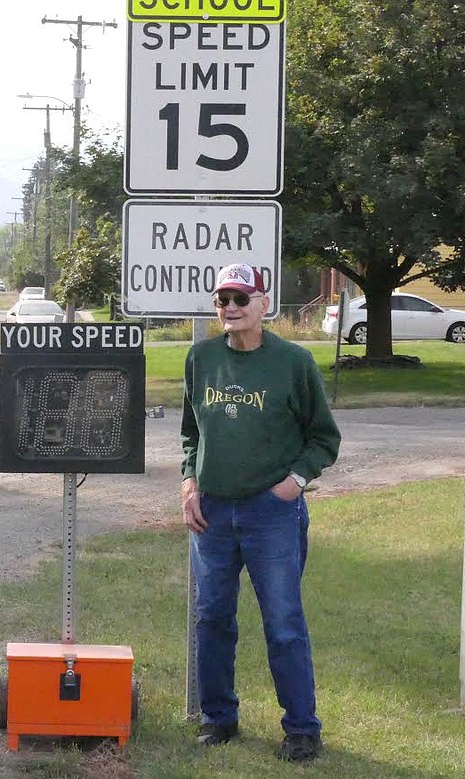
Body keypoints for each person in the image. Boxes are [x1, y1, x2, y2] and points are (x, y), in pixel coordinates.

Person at [179, 263, 341, 763]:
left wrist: (293, 484)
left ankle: (301, 729)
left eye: (240, 298)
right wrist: (189, 483)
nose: (230, 308)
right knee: (212, 620)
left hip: (271, 514)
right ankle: (218, 718)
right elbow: (191, 433)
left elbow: (323, 438)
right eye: (222, 299)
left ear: (263, 304)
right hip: (212, 514)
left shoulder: (293, 362)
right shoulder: (200, 357)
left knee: (284, 622)